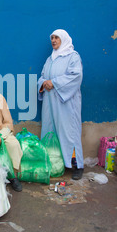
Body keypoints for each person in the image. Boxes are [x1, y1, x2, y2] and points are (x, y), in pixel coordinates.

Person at [38, 29, 84, 180]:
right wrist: (43, 83)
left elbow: (76, 76)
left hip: (66, 102)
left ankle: (76, 165)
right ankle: (56, 163)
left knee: (69, 132)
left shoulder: (73, 56)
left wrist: (54, 83)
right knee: (50, 131)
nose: (53, 40)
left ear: (64, 39)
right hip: (50, 103)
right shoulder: (50, 59)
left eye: (56, 37)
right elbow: (43, 76)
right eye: (52, 38)